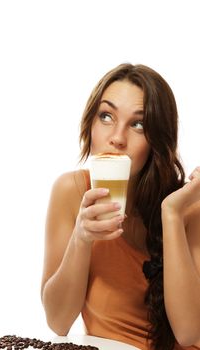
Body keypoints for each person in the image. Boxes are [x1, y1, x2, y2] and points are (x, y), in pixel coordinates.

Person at [40, 63, 200, 350]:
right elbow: (58, 321)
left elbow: (189, 333)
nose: (117, 138)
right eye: (106, 116)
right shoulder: (70, 191)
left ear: (157, 140)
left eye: (138, 124)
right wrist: (81, 238)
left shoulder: (188, 206)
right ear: (90, 123)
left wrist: (172, 215)